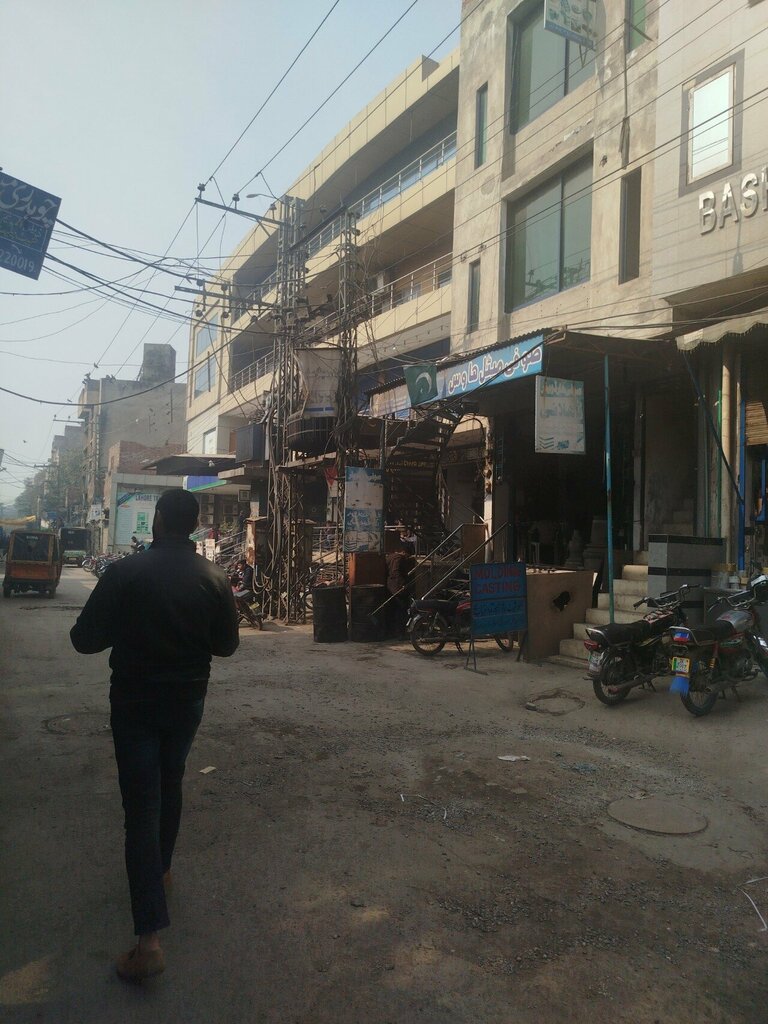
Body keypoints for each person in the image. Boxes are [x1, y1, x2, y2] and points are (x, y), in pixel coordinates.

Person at [70, 488, 239, 982]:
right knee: (172, 781)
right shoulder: (214, 577)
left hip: (135, 703)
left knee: (141, 807)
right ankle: (160, 870)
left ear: (159, 521)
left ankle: (148, 942)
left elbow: (84, 640)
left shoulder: (124, 573)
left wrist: (125, 625)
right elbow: (226, 646)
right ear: (191, 525)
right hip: (187, 701)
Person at [385, 541, 416, 638]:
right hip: (398, 588)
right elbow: (396, 572)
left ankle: (393, 631)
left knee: (394, 610)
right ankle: (400, 633)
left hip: (391, 586)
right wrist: (402, 585)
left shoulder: (390, 556)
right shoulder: (399, 558)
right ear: (404, 551)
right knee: (401, 610)